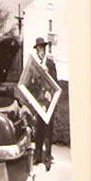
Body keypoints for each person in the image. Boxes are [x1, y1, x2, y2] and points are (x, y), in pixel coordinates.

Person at [30, 37, 58, 170]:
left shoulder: (50, 64)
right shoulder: (35, 65)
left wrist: (47, 72)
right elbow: (33, 85)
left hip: (49, 103)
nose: (38, 52)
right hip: (39, 103)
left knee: (48, 131)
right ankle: (37, 156)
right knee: (39, 130)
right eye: (37, 50)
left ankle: (47, 159)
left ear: (44, 49)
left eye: (40, 49)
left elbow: (55, 82)